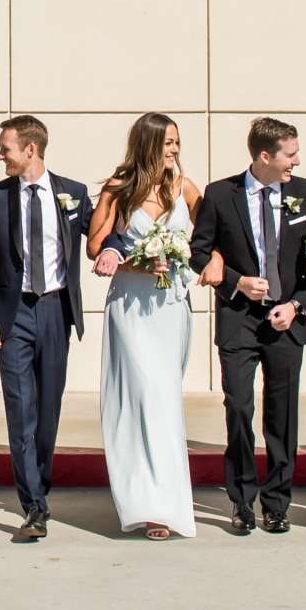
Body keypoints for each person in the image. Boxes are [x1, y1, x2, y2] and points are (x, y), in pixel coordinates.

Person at [189, 117, 306, 535]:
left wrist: (298, 305)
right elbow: (198, 253)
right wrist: (237, 282)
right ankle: (241, 500)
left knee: (281, 414)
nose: (296, 161)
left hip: (286, 321)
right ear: (264, 156)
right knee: (240, 407)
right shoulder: (220, 194)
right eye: (290, 154)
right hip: (238, 319)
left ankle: (277, 502)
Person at [0, 115, 91, 543]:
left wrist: (115, 249)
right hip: (12, 314)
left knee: (48, 413)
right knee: (20, 412)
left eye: (6, 148)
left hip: (56, 310)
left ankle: (42, 484)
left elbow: (101, 235)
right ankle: (34, 506)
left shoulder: (73, 193)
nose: (0, 155)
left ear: (31, 149)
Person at [87, 112, 201, 540]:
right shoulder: (118, 190)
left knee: (164, 399)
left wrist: (203, 263)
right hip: (131, 306)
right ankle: (143, 504)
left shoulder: (186, 189)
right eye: (167, 142)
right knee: (137, 400)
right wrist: (131, 259)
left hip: (171, 307)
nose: (174, 149)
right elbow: (95, 245)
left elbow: (210, 240)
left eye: (177, 142)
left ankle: (169, 502)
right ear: (148, 144)